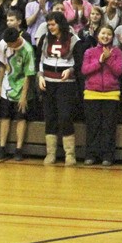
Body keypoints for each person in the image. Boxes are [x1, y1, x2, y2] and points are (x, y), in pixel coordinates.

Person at [37, 11, 80, 166]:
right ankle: (51, 153)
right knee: (50, 116)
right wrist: (40, 75)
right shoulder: (45, 39)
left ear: (61, 24)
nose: (50, 27)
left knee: (65, 116)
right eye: (48, 24)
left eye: (53, 24)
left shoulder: (73, 39)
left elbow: (79, 62)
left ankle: (70, 154)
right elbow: (40, 59)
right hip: (48, 82)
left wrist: (70, 70)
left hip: (66, 84)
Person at [81, 24, 122, 166]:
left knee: (108, 127)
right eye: (103, 33)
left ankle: (108, 156)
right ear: (98, 35)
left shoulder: (117, 52)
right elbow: (85, 70)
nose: (105, 36)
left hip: (111, 94)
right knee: (93, 126)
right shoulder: (89, 52)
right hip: (92, 93)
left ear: (112, 37)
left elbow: (118, 71)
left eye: (109, 34)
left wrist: (108, 58)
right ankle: (91, 155)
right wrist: (100, 60)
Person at [0, 27, 36, 161]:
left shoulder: (27, 50)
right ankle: (2, 147)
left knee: (21, 118)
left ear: (17, 39)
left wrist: (24, 96)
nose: (8, 46)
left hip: (22, 87)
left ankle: (18, 149)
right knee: (5, 117)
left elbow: (28, 76)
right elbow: (1, 64)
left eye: (10, 44)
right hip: (7, 85)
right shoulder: (3, 44)